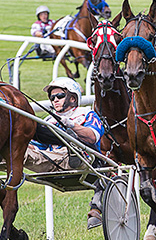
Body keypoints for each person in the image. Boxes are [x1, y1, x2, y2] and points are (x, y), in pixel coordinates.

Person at [25, 77, 106, 229]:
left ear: (73, 98)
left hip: (85, 160)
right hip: (52, 161)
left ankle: (72, 147)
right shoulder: (48, 120)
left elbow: (92, 136)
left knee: (73, 146)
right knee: (21, 151)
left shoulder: (86, 113)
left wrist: (72, 125)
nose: (55, 100)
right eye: (52, 97)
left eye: (60, 96)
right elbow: (37, 147)